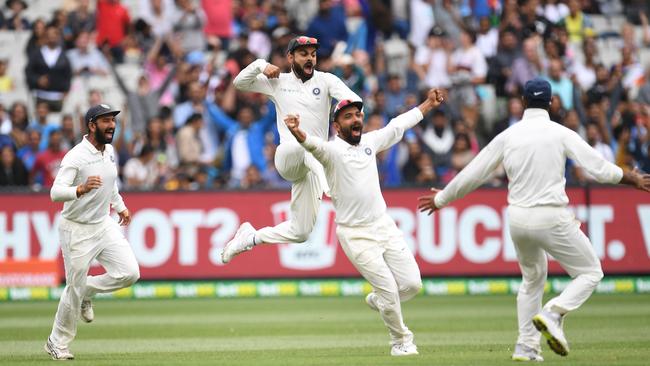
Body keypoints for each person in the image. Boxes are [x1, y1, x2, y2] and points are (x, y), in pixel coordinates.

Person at [417, 78, 650, 361]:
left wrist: (442, 199)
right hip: (551, 217)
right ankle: (553, 313)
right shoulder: (561, 133)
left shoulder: (509, 135)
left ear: (524, 103)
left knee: (532, 280)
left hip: (518, 221)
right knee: (590, 272)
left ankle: (526, 347)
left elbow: (474, 172)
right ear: (551, 104)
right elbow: (599, 169)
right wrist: (632, 178)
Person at [283, 88, 445, 356]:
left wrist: (428, 103)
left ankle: (379, 300)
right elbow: (312, 144)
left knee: (412, 285)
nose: (355, 120)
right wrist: (297, 131)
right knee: (391, 290)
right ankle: (401, 342)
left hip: (383, 225)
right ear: (337, 126)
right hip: (355, 234)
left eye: (358, 115)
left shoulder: (370, 142)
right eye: (348, 117)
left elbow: (398, 124)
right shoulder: (331, 151)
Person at [222, 35, 360, 263]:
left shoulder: (326, 81)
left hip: (312, 166)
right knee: (307, 146)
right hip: (288, 156)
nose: (310, 59)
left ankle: (250, 237)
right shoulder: (279, 81)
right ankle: (333, 188)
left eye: (313, 55)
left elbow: (354, 102)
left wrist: (345, 119)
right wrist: (260, 65)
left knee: (301, 231)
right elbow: (239, 83)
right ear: (290, 57)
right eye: (304, 54)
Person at [45, 104, 140, 360]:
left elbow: (111, 185)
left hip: (103, 223)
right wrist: (79, 189)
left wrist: (120, 207)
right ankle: (57, 342)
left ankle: (87, 291)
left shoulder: (108, 151)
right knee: (72, 289)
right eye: (106, 121)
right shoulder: (76, 156)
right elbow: (55, 192)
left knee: (130, 273)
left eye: (113, 120)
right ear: (91, 125)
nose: (111, 125)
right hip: (76, 229)